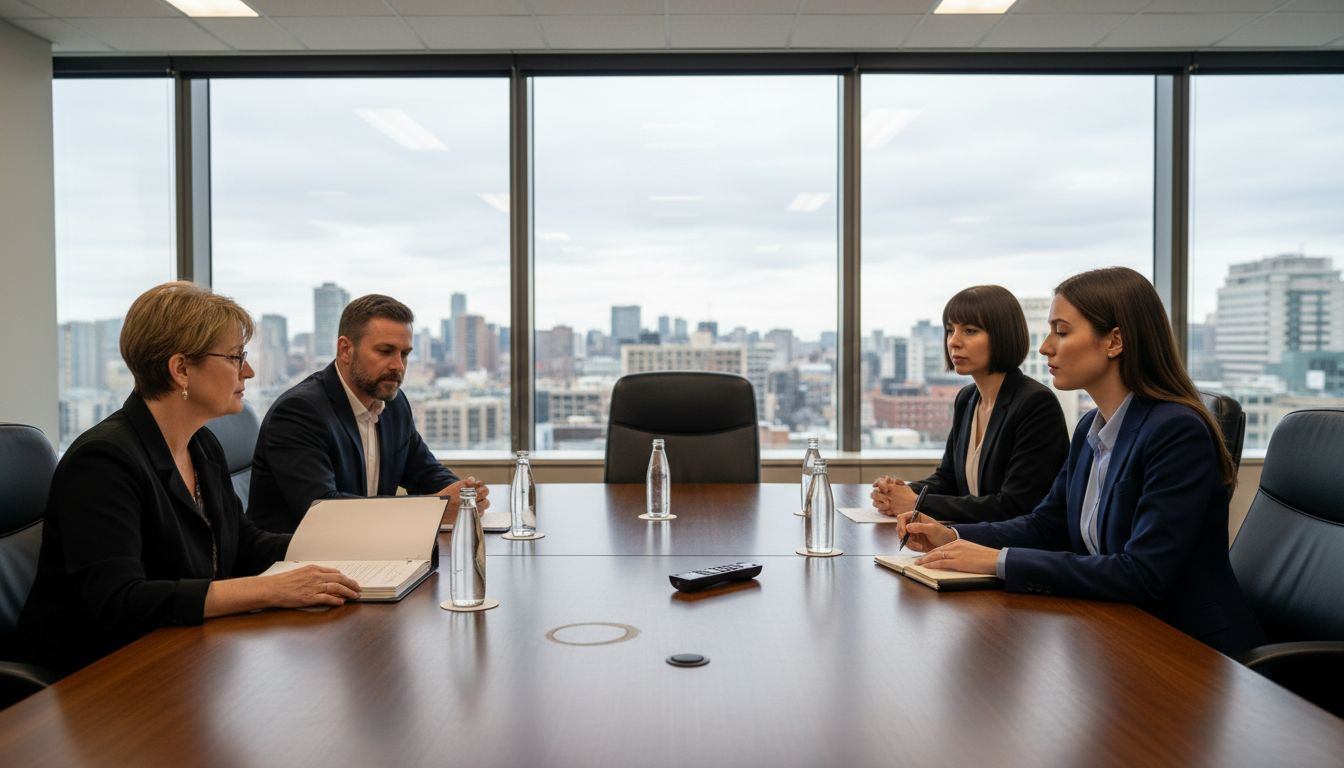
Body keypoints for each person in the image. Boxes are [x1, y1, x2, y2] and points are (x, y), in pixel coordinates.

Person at [896, 267, 1264, 656]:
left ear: (1114, 341)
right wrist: (953, 537)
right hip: (1118, 633)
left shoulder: (1176, 432)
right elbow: (1046, 524)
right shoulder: (1092, 425)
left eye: (1062, 331)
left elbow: (1143, 573)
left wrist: (997, 561)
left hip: (1189, 649)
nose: (1045, 348)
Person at [15, 282, 360, 678]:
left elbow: (243, 544)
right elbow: (119, 601)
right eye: (235, 357)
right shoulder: (103, 462)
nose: (247, 370)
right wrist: (268, 590)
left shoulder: (202, 445)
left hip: (182, 654)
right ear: (181, 369)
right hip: (97, 677)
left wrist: (345, 550)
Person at [248, 294, 488, 533]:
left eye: (404, 354)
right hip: (299, 562)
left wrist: (463, 494)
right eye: (385, 351)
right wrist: (435, 509)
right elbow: (323, 511)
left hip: (366, 551)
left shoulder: (393, 403)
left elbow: (423, 470)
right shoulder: (299, 412)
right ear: (345, 350)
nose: (398, 366)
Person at [870, 285, 1068, 524]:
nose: (954, 341)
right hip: (970, 541)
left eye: (970, 331)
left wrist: (916, 503)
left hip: (1012, 550)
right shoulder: (967, 398)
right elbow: (948, 479)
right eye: (950, 330)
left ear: (1002, 335)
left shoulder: (1035, 403)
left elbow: (1016, 505)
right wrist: (900, 493)